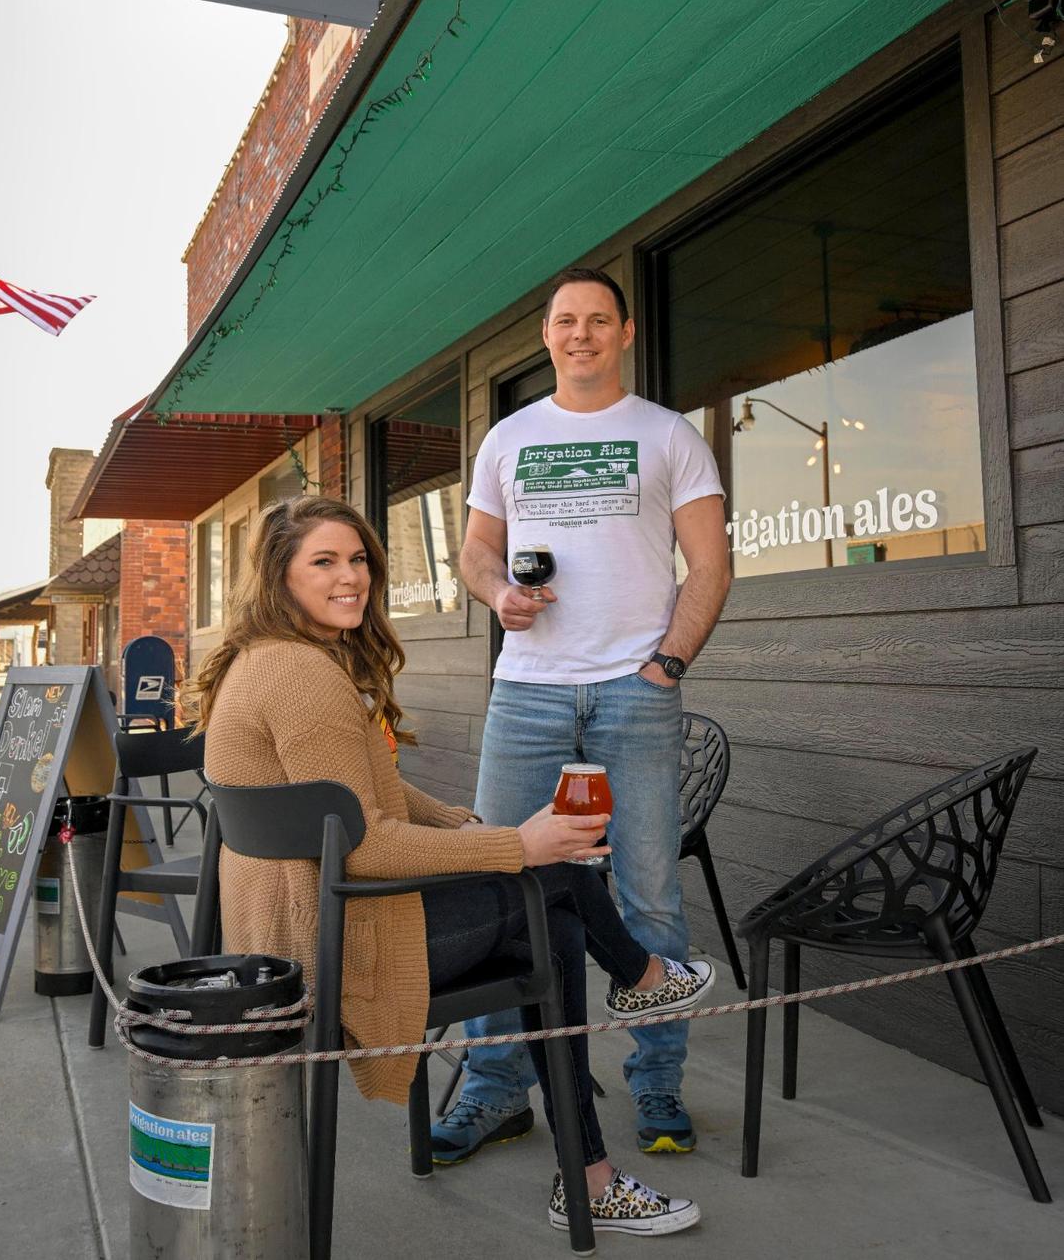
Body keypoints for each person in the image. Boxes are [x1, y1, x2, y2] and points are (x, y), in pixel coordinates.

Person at [192, 495, 714, 1238]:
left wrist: (463, 823)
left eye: (359, 558)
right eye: (325, 561)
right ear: (279, 576)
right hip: (336, 944)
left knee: (555, 919)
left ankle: (593, 1161)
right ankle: (639, 990)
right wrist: (515, 844)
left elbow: (360, 792)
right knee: (556, 881)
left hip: (302, 928)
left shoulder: (273, 660)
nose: (353, 577)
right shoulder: (303, 678)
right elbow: (365, 844)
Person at [430, 266, 730, 1167]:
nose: (581, 334)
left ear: (626, 332)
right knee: (500, 880)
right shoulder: (510, 438)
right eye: (566, 321)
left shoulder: (669, 435)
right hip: (526, 688)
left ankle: (658, 1081)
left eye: (599, 320)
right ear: (548, 336)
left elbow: (709, 565)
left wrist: (664, 664)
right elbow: (478, 553)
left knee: (647, 893)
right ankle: (494, 1089)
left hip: (636, 693)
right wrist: (497, 597)